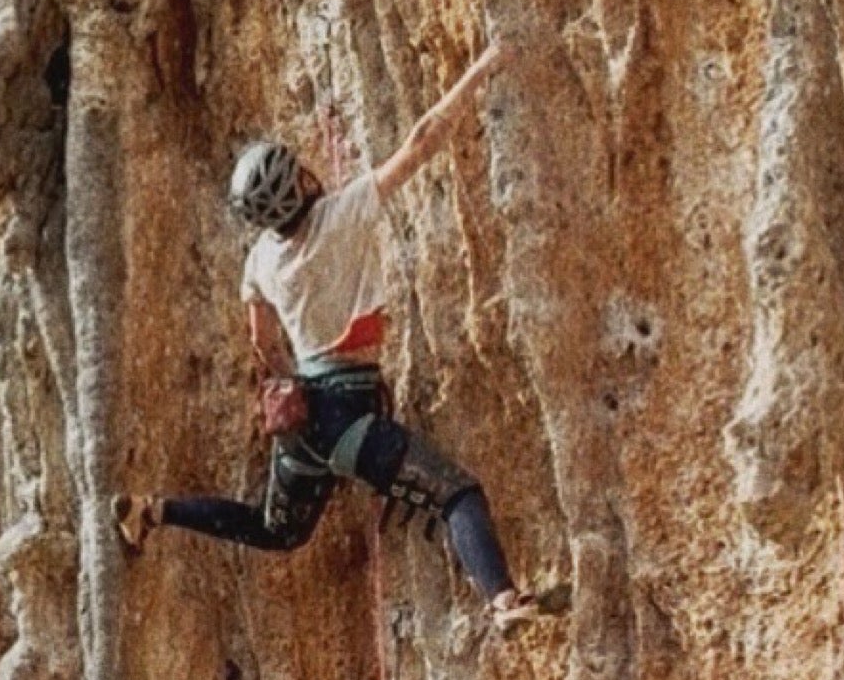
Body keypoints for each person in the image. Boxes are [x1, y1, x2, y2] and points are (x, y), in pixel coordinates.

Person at [113, 39, 565, 635]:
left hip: (302, 424)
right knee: (456, 493)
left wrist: (299, 390)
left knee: (276, 529)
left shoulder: (260, 261)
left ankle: (152, 510)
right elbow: (421, 140)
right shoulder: (343, 213)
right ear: (298, 182)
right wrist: (481, 68)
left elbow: (264, 347)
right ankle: (503, 599)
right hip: (349, 413)